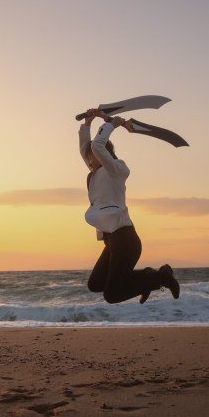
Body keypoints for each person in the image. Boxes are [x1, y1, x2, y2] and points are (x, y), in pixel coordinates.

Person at [80, 108, 179, 304]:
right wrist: (87, 124)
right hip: (112, 241)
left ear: (101, 155)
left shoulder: (115, 170)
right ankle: (149, 276)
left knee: (112, 295)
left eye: (90, 156)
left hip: (125, 240)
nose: (88, 160)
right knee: (95, 284)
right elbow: (89, 147)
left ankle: (160, 278)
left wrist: (111, 125)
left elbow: (98, 145)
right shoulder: (95, 173)